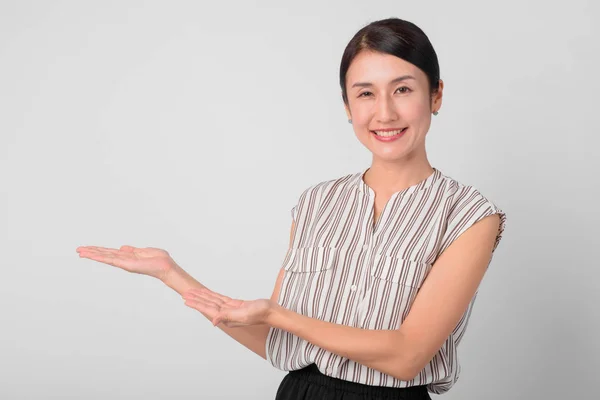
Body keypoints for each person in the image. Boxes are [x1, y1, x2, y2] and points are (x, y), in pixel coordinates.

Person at [77, 17, 506, 399]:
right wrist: (171, 274)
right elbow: (275, 343)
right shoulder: (316, 202)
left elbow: (408, 356)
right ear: (347, 106)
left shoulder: (469, 215)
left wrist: (278, 315)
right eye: (365, 94)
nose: (384, 112)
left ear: (436, 95)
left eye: (403, 89)